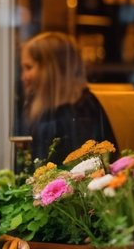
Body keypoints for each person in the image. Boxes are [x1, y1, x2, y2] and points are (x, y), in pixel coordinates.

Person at [18, 31, 114, 163]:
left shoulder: (83, 111)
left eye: (29, 68)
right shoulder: (38, 108)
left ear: (51, 69)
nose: (23, 77)